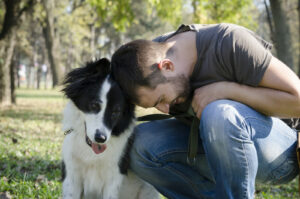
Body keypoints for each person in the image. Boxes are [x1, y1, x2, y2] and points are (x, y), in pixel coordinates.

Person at [111, 23, 300, 199]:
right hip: (214, 149)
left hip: (279, 152)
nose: (165, 109)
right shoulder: (142, 61)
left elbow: (298, 100)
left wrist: (227, 90)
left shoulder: (228, 42)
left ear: (167, 66)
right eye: (154, 105)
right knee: (137, 145)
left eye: (161, 99)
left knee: (219, 113)